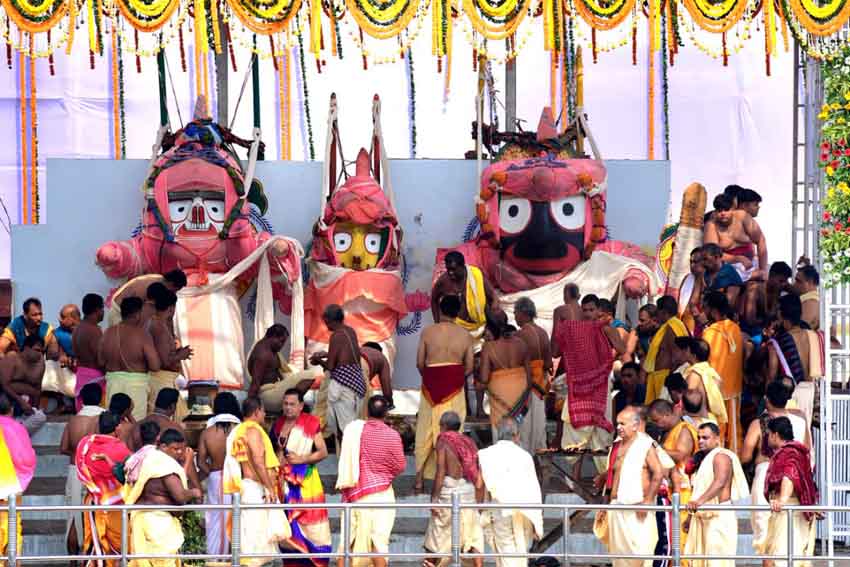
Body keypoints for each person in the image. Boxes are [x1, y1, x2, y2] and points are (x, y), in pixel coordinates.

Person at [554, 294, 624, 473]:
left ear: (599, 311)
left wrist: (606, 351)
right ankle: (574, 480)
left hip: (600, 387)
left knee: (601, 438)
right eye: (584, 310)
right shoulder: (574, 330)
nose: (587, 314)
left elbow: (622, 349)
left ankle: (604, 482)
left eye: (591, 310)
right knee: (575, 437)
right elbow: (556, 351)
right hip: (579, 389)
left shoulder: (606, 329)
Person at [741, 381, 810, 558]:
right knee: (789, 534)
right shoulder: (800, 421)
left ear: (766, 399)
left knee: (765, 538)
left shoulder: (758, 424)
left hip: (766, 478)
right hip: (795, 480)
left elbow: (745, 457)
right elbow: (807, 452)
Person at [336, 395, 406, 567]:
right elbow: (400, 466)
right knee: (378, 543)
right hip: (381, 494)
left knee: (348, 541)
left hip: (354, 492)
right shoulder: (392, 435)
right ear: (386, 414)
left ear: (366, 411)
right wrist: (385, 473)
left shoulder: (354, 430)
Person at [415, 295, 474, 491]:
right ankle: (450, 475)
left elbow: (420, 363)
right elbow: (469, 367)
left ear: (440, 310)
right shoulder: (465, 335)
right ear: (458, 313)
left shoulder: (428, 332)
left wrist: (432, 379)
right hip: (455, 389)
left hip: (430, 388)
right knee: (453, 431)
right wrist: (454, 378)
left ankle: (419, 480)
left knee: (425, 431)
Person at [123, 428, 202, 567]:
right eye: (175, 449)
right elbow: (180, 496)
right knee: (162, 561)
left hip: (147, 520)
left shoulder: (149, 459)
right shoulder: (165, 465)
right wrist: (194, 492)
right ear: (163, 446)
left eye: (182, 449)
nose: (179, 453)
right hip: (157, 523)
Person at [223, 397, 288, 566]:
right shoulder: (252, 430)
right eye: (263, 411)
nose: (265, 414)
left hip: (250, 489)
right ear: (257, 411)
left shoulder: (238, 430)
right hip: (256, 489)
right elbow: (258, 461)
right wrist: (269, 487)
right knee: (258, 541)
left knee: (253, 538)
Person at [271, 388, 332, 565]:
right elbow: (275, 452)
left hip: (307, 483)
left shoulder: (310, 422)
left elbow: (323, 452)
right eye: (285, 404)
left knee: (313, 528)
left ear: (301, 406)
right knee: (287, 529)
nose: (288, 407)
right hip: (283, 483)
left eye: (292, 404)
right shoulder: (278, 424)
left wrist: (301, 459)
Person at [598, 407, 664, 567]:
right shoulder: (616, 446)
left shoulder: (646, 444)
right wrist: (604, 504)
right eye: (617, 423)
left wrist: (647, 502)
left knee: (642, 555)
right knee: (619, 559)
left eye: (623, 423)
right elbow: (612, 476)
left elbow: (659, 473)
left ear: (635, 425)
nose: (618, 427)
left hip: (638, 508)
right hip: (616, 507)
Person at [478, 417, 543, 567]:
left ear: (499, 434)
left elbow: (479, 484)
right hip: (523, 512)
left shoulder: (486, 454)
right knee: (520, 553)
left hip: (500, 511)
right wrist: (536, 519)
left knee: (506, 554)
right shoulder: (525, 456)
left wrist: (480, 509)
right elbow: (533, 489)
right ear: (517, 435)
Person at [424, 411, 485, 567]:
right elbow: (477, 471)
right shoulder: (469, 441)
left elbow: (440, 471)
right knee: (472, 535)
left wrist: (434, 499)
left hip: (449, 493)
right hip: (469, 492)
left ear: (444, 426)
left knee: (436, 536)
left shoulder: (443, 440)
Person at [684, 422, 750, 567]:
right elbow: (697, 491)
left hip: (719, 516)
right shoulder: (703, 458)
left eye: (705, 438)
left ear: (717, 438)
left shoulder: (721, 456)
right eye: (699, 437)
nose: (700, 441)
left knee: (717, 562)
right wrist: (690, 517)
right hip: (703, 516)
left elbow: (720, 482)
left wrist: (699, 502)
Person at [75, 412, 132, 566]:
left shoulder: (85, 444)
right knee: (120, 548)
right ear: (117, 428)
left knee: (95, 548)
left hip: (93, 505)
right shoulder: (120, 449)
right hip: (116, 507)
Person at [763, 416, 818, 567]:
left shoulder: (789, 453)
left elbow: (790, 474)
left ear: (775, 435)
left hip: (788, 511)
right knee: (774, 557)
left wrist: (782, 499)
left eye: (769, 434)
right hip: (786, 510)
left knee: (782, 558)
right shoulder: (794, 451)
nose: (767, 438)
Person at [647, 399, 698, 554]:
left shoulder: (684, 429)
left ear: (666, 414)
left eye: (657, 420)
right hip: (669, 489)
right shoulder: (667, 432)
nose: (657, 424)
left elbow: (681, 454)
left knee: (680, 537)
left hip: (683, 490)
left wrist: (654, 448)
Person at [59, 383, 105, 554]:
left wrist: (77, 454)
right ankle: (90, 559)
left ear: (82, 400)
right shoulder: (104, 418)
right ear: (101, 398)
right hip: (96, 472)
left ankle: (72, 561)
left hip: (75, 470)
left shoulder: (73, 421)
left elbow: (63, 448)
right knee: (94, 515)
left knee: (73, 515)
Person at [99, 297, 161, 421]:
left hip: (113, 386)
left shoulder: (108, 333)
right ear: (137, 314)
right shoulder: (142, 334)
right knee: (134, 426)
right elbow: (155, 366)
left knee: (113, 424)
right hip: (136, 388)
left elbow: (100, 362)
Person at [310, 305, 366, 442]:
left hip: (343, 387)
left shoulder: (336, 335)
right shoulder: (350, 331)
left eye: (326, 322)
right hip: (357, 383)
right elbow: (345, 355)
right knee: (350, 429)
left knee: (344, 432)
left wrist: (318, 360)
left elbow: (330, 366)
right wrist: (326, 354)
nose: (326, 326)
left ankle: (346, 455)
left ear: (330, 320)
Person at [479, 310, 534, 450]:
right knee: (522, 430)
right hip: (521, 393)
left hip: (500, 394)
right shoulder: (522, 344)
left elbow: (484, 378)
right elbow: (530, 378)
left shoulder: (488, 347)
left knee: (501, 435)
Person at [197, 391, 241, 559]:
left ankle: (215, 559)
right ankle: (235, 559)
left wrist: (214, 472)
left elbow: (200, 462)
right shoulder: (241, 430)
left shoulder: (207, 432)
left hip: (216, 478)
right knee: (238, 517)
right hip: (238, 478)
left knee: (216, 519)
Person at [768, 294, 823, 427]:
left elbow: (771, 376)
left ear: (781, 315)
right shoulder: (813, 336)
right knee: (806, 432)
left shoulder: (778, 342)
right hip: (811, 394)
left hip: (789, 396)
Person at [701, 292, 744, 452]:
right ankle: (734, 460)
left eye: (705, 308)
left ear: (713, 311)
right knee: (733, 430)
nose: (704, 311)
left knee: (716, 431)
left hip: (715, 391)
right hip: (734, 389)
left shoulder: (709, 333)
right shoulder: (736, 329)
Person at [249, 324, 316, 413]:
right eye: (281, 341)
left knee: (305, 376)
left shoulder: (271, 350)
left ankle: (292, 402)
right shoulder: (262, 354)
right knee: (310, 374)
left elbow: (279, 373)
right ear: (273, 336)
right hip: (266, 396)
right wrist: (251, 410)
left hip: (274, 388)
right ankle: (292, 403)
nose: (282, 345)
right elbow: (255, 383)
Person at [0, 393, 36, 560]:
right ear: (12, 409)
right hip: (11, 486)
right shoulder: (17, 428)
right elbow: (27, 459)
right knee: (12, 529)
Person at [146, 288, 192, 419]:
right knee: (166, 420)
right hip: (161, 380)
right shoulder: (158, 326)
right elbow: (164, 361)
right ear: (171, 308)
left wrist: (178, 352)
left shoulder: (156, 323)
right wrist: (181, 355)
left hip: (161, 379)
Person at [513, 297, 551, 452]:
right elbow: (548, 363)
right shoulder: (543, 333)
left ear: (523, 313)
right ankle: (539, 460)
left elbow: (515, 363)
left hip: (525, 385)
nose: (515, 316)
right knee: (538, 427)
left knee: (524, 427)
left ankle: (526, 459)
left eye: (515, 313)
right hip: (540, 385)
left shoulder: (520, 334)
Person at [704, 193, 768, 283]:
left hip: (751, 263)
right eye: (719, 210)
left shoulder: (742, 216)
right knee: (731, 282)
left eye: (726, 210)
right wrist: (737, 259)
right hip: (727, 266)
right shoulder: (711, 225)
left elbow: (761, 240)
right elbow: (711, 254)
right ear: (715, 211)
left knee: (760, 281)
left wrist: (763, 269)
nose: (723, 213)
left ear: (733, 209)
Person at [430, 251, 494, 339]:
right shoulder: (443, 281)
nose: (450, 272)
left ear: (462, 266)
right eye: (448, 269)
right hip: (457, 329)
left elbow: (492, 296)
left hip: (481, 325)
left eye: (453, 269)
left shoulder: (475, 275)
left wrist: (493, 315)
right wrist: (437, 323)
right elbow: (433, 300)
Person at [642, 295, 689, 404]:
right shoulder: (672, 325)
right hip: (660, 377)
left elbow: (677, 357)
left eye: (657, 312)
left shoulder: (671, 327)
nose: (657, 316)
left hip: (664, 378)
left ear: (663, 312)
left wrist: (669, 381)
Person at [673, 336, 728, 427]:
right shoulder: (712, 373)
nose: (685, 352)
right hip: (711, 419)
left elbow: (688, 398)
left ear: (693, 355)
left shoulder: (695, 374)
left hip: (698, 420)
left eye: (687, 350)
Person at [0, 335, 47, 433]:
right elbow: (4, 384)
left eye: (42, 352)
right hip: (5, 398)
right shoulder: (12, 357)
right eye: (37, 350)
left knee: (40, 417)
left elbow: (38, 389)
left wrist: (33, 409)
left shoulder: (40, 364)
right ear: (26, 348)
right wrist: (21, 401)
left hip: (24, 405)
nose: (40, 354)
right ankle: (14, 430)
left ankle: (17, 430)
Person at [108, 268, 188, 326]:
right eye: (175, 290)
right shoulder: (151, 287)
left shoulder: (159, 281)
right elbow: (140, 313)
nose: (174, 292)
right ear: (171, 283)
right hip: (118, 311)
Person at [73, 293, 106, 412]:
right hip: (94, 378)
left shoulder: (77, 328)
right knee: (95, 416)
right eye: (102, 308)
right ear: (97, 310)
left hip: (81, 375)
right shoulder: (94, 330)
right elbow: (100, 360)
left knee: (83, 413)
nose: (103, 312)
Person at [679, 247, 707, 336]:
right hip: (682, 323)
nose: (692, 265)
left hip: (700, 325)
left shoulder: (708, 280)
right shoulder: (686, 278)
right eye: (691, 262)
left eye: (695, 262)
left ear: (704, 262)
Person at [360, 342, 394, 407]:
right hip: (362, 367)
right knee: (364, 407)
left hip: (345, 366)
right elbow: (386, 382)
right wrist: (390, 402)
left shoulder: (359, 349)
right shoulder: (381, 356)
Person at [794, 264, 820, 332]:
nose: (794, 284)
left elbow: (801, 330)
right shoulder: (812, 299)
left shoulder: (810, 301)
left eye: (798, 281)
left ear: (810, 282)